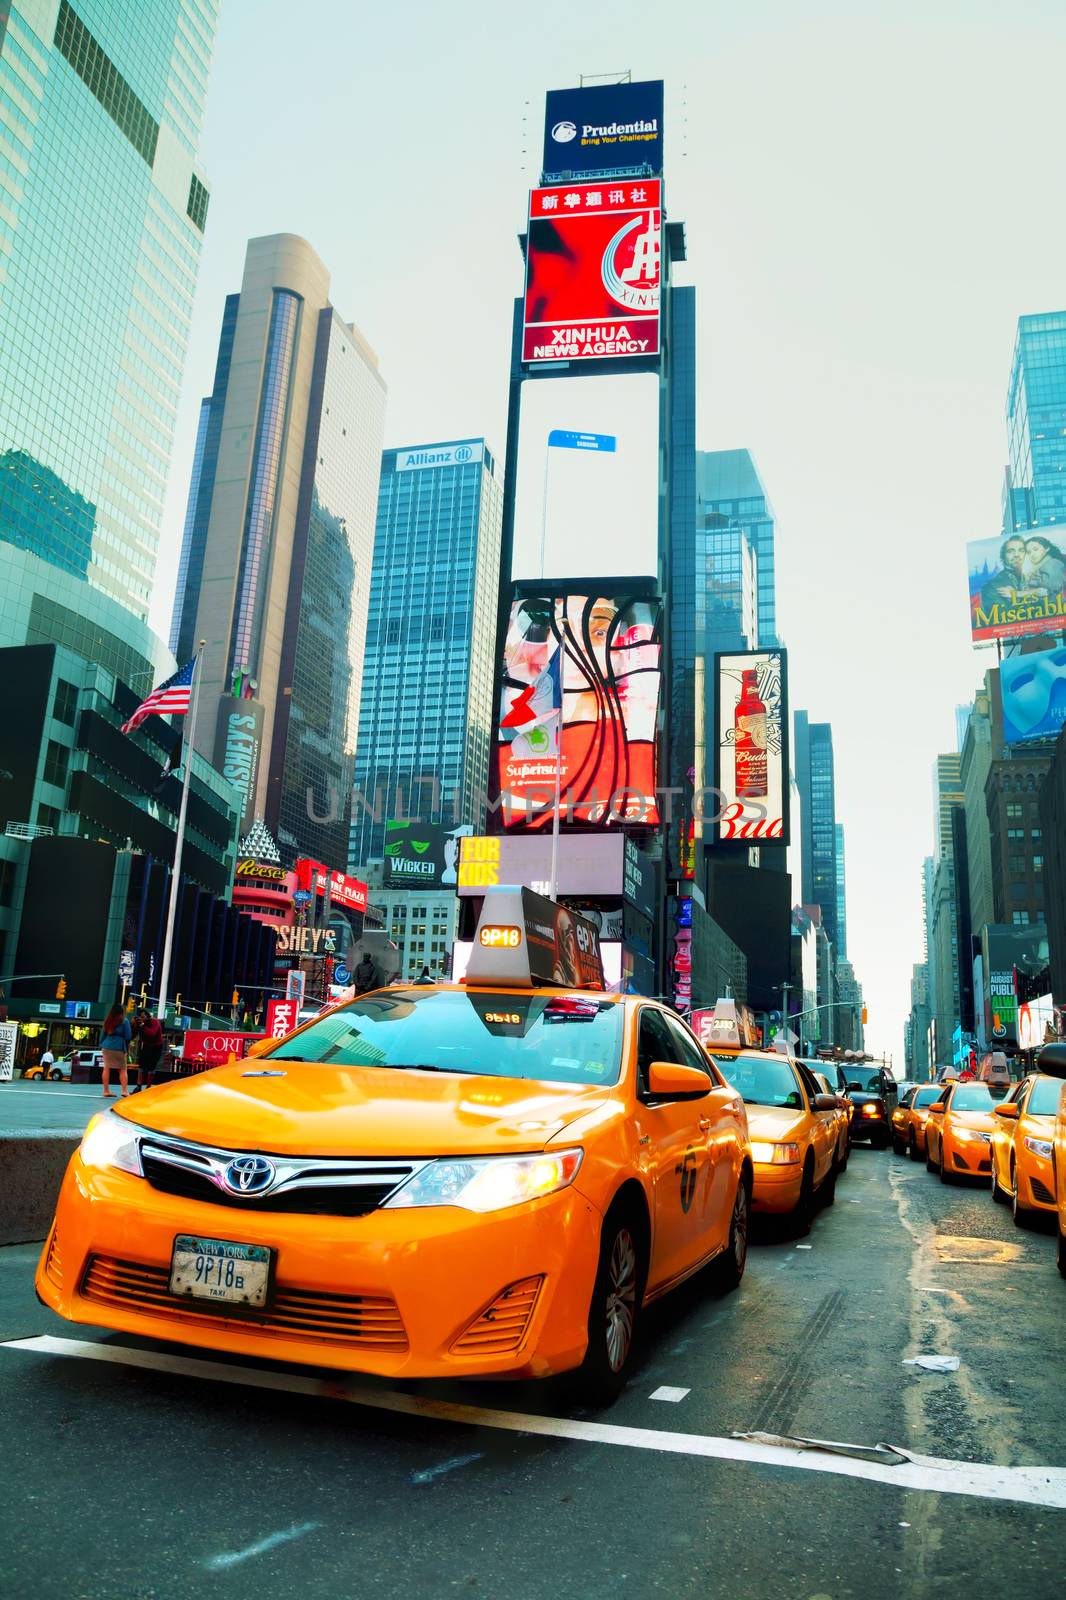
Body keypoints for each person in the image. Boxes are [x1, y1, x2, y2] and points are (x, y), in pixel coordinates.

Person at [99, 1004, 132, 1098]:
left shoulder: (108, 1021)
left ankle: (106, 1091)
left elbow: (103, 1035)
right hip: (119, 1047)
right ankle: (124, 1091)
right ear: (121, 1012)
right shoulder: (124, 1021)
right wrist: (126, 1049)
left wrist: (101, 1044)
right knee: (122, 1069)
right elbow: (128, 1036)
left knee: (106, 1068)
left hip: (106, 1046)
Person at [134, 1009, 165, 1091]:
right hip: (146, 1045)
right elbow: (134, 1033)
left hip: (156, 1046)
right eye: (140, 1017)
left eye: (143, 1017)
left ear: (147, 1016)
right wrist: (135, 1024)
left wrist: (142, 1025)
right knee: (141, 1066)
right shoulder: (140, 1024)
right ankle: (138, 1086)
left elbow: (152, 1034)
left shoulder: (155, 1022)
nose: (142, 1019)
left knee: (151, 1067)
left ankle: (148, 1087)